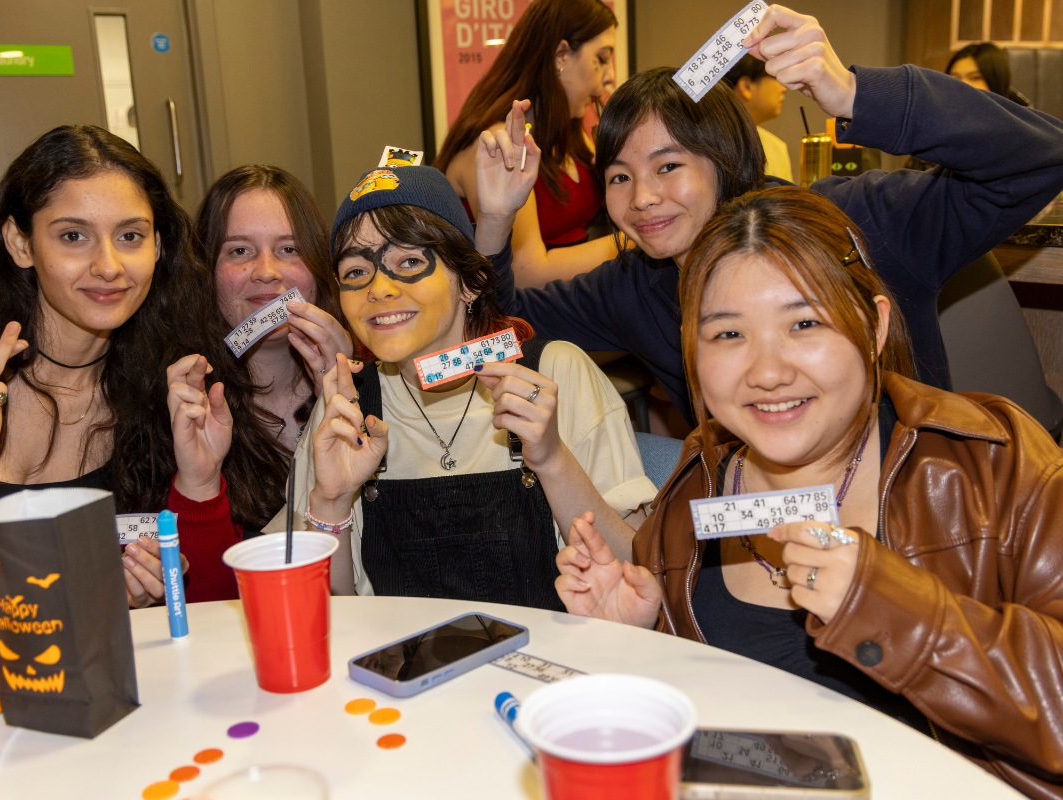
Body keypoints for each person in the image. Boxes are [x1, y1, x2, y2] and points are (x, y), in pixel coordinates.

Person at [555, 187, 1063, 800]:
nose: (767, 372)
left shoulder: (987, 462)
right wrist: (632, 642)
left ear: (872, 326)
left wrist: (892, 607)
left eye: (804, 323)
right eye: (727, 335)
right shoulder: (698, 485)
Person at [473, 5, 1063, 428]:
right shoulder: (641, 283)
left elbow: (1040, 158)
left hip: (903, 528)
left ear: (724, 159)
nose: (642, 197)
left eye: (669, 165)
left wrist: (853, 94)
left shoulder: (852, 224)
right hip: (757, 538)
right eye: (619, 177)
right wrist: (497, 220)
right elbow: (497, 339)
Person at [0, 125, 247, 608]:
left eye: (131, 236)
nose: (108, 265)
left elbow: (211, 608)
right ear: (20, 243)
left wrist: (134, 594)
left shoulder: (163, 391)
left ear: (159, 247)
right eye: (73, 236)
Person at [249, 160, 656, 604]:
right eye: (354, 273)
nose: (378, 289)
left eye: (408, 261)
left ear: (471, 282)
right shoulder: (346, 405)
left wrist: (554, 459)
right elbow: (317, 610)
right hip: (398, 668)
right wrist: (331, 500)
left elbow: (639, 574)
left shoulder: (554, 373)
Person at [163, 165, 354, 601]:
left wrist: (349, 395)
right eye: (239, 251)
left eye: (289, 248)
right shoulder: (183, 402)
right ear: (206, 271)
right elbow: (205, 603)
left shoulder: (376, 374)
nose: (267, 272)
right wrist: (200, 483)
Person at [434, 0, 619, 288]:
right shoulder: (497, 144)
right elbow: (526, 273)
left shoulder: (570, 129)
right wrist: (637, 238)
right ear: (561, 55)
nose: (609, 76)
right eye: (602, 58)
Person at [720, 54, 792, 181]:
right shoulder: (706, 144)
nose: (784, 88)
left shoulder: (777, 148)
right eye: (775, 76)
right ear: (746, 86)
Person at [947, 42, 1032, 105]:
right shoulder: (941, 118)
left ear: (996, 82)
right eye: (955, 78)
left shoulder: (1021, 123)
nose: (963, 84)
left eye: (974, 78)